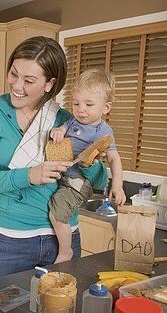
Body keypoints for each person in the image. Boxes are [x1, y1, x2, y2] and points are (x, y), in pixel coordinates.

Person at [0, 36, 109, 280]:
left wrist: (92, 160)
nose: (17, 85)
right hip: (11, 241)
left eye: (29, 80)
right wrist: (29, 175)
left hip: (64, 236)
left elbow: (97, 181)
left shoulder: (67, 120)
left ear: (50, 84)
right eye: (14, 74)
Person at [48, 69, 126, 263]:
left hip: (77, 182)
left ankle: (65, 251)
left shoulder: (103, 131)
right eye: (76, 103)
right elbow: (63, 128)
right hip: (64, 175)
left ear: (106, 107)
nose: (80, 109)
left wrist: (117, 185)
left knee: (56, 214)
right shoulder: (75, 120)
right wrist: (57, 131)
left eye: (88, 104)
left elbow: (115, 159)